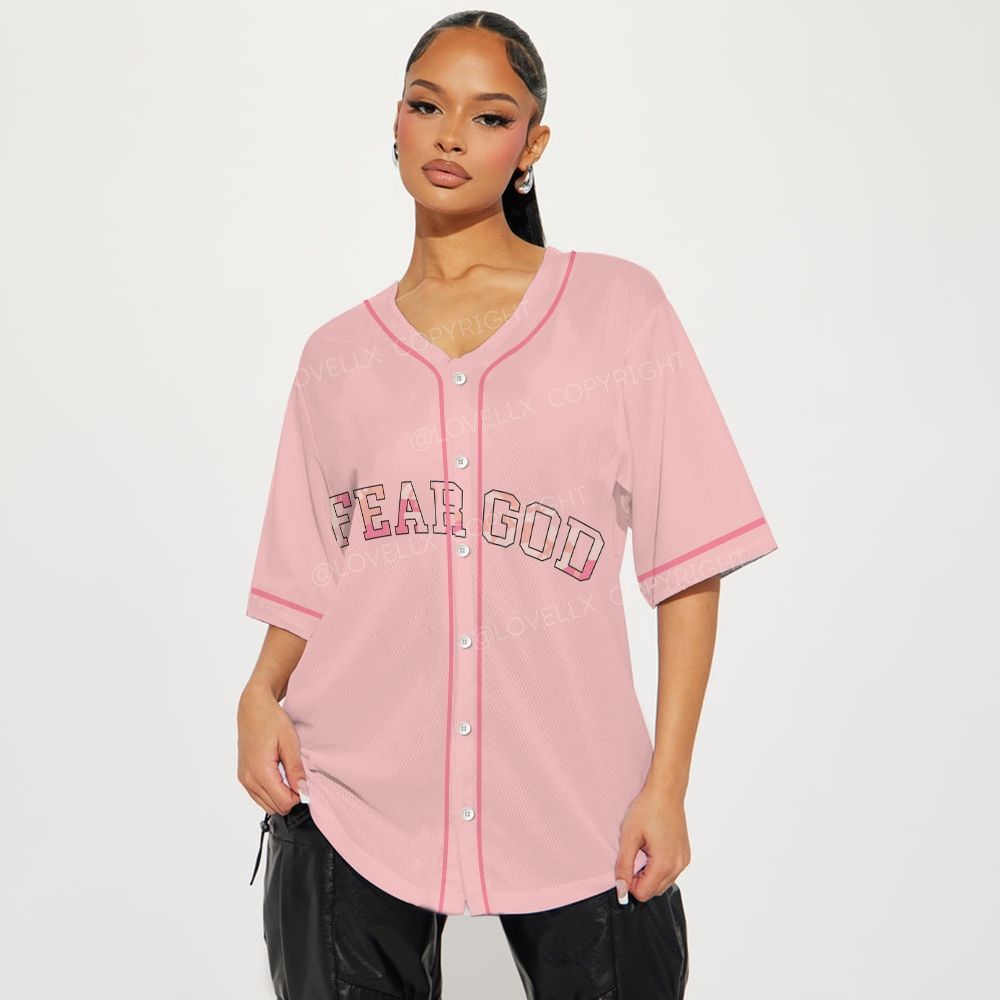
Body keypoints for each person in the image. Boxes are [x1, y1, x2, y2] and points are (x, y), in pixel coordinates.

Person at [237, 10, 778, 1000]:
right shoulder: (336, 356)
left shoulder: (617, 311)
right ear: (394, 122)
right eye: (426, 106)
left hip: (581, 806)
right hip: (350, 797)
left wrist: (667, 783)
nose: (450, 135)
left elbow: (687, 566)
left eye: (489, 117)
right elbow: (309, 573)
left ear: (531, 146)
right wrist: (258, 694)